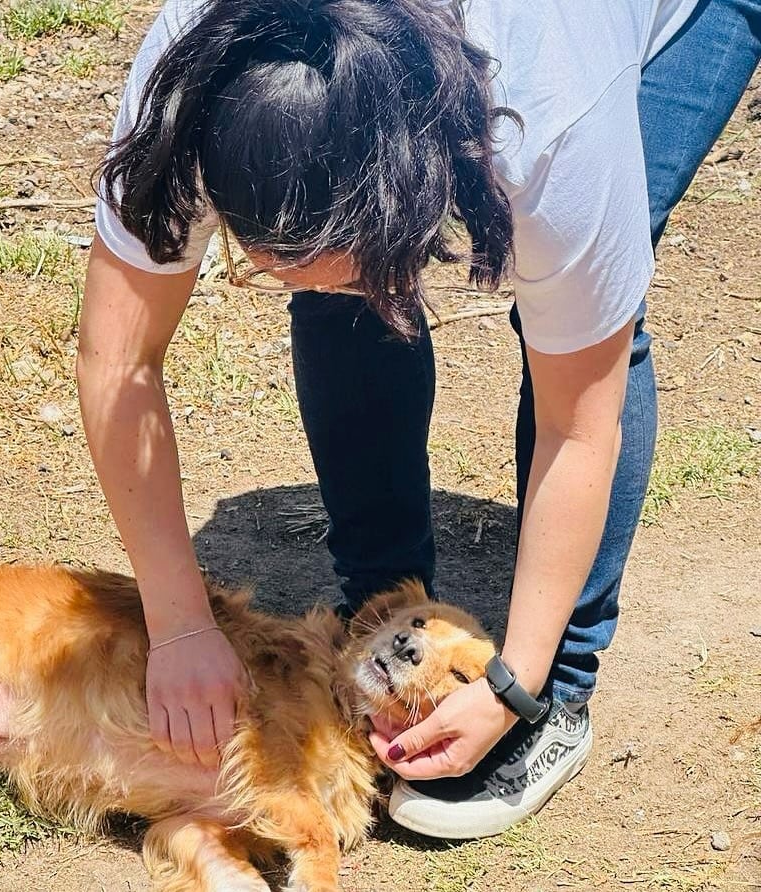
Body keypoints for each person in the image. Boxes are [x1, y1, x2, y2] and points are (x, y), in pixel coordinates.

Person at [78, 0, 761, 839]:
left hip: (668, 18)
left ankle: (562, 690)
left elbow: (580, 424)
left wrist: (517, 681)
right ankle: (384, 610)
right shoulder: (183, 88)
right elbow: (117, 360)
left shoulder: (551, 128)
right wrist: (178, 625)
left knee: (591, 323)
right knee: (350, 300)